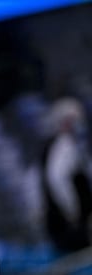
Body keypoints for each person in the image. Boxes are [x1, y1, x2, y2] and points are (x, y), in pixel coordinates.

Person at [40, 97, 92, 253]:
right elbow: (57, 180)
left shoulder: (73, 144)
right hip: (70, 223)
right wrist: (72, 212)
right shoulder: (63, 145)